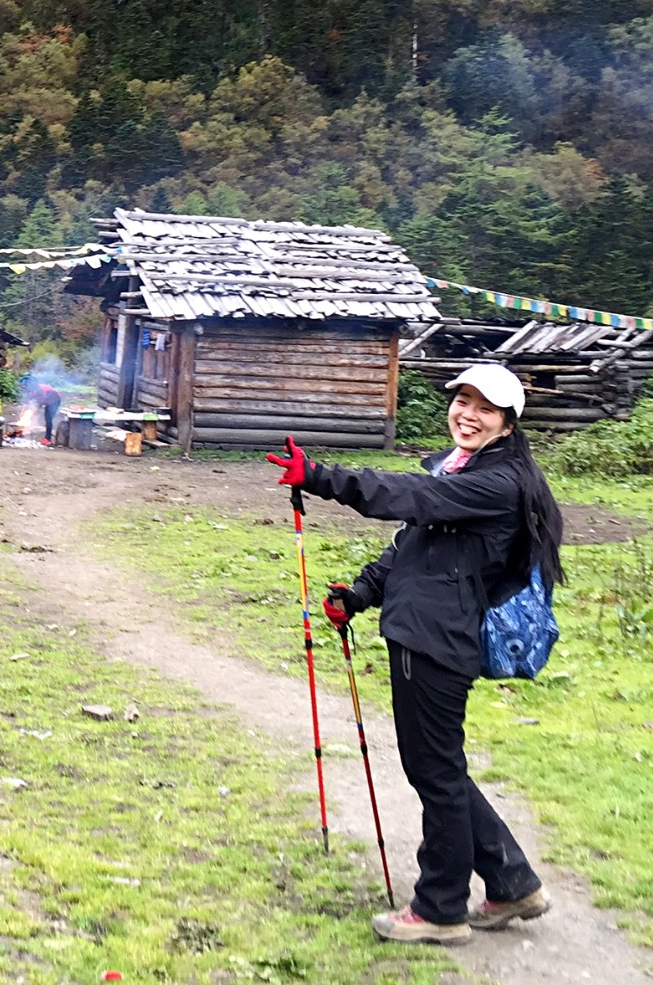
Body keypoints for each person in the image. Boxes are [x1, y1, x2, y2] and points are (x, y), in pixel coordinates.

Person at [268, 362, 563, 948]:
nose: (468, 414)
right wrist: (360, 593)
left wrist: (323, 477)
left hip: (437, 641)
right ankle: (512, 882)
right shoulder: (463, 470)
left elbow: (413, 496)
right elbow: (413, 543)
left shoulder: (495, 484)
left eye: (485, 408)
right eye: (463, 401)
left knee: (436, 774)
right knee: (441, 768)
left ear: (507, 423)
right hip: (425, 631)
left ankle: (440, 909)